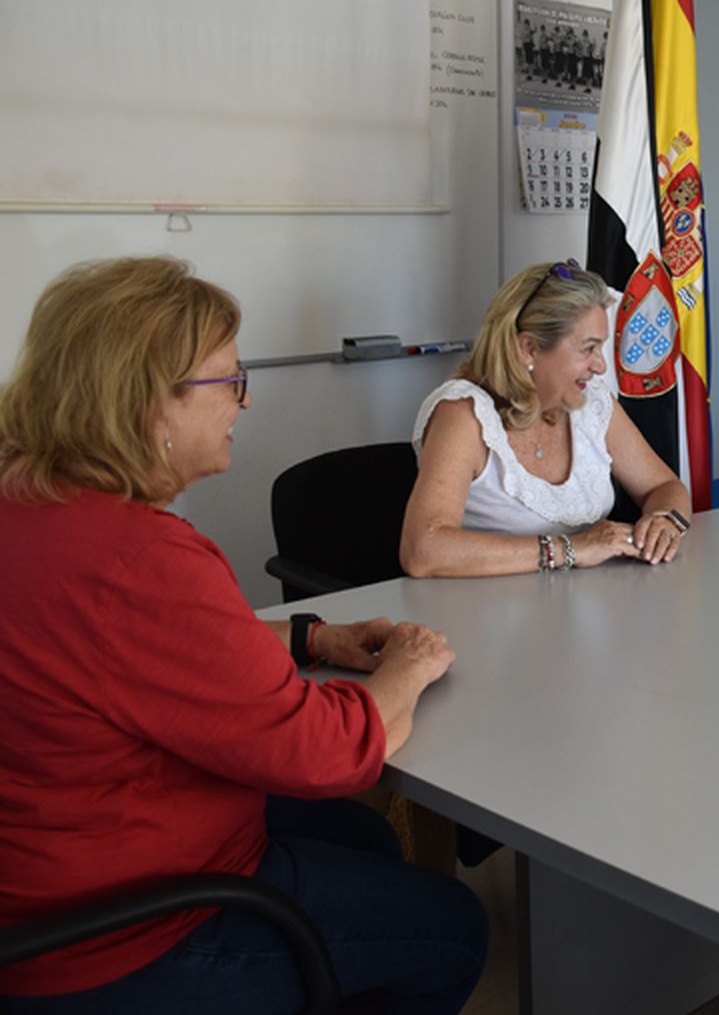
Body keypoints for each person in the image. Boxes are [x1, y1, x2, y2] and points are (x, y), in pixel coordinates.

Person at [0, 257, 486, 1012]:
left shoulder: (29, 503)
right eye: (228, 380)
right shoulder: (141, 558)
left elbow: (129, 660)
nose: (246, 400)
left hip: (44, 871)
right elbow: (326, 756)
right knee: (454, 928)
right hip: (118, 932)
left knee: (367, 844)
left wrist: (310, 643)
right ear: (148, 404)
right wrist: (409, 669)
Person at [402, 259, 690, 577]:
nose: (601, 366)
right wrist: (574, 548)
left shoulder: (591, 402)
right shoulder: (463, 414)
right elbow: (423, 551)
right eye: (588, 349)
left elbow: (663, 485)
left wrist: (664, 520)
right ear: (529, 349)